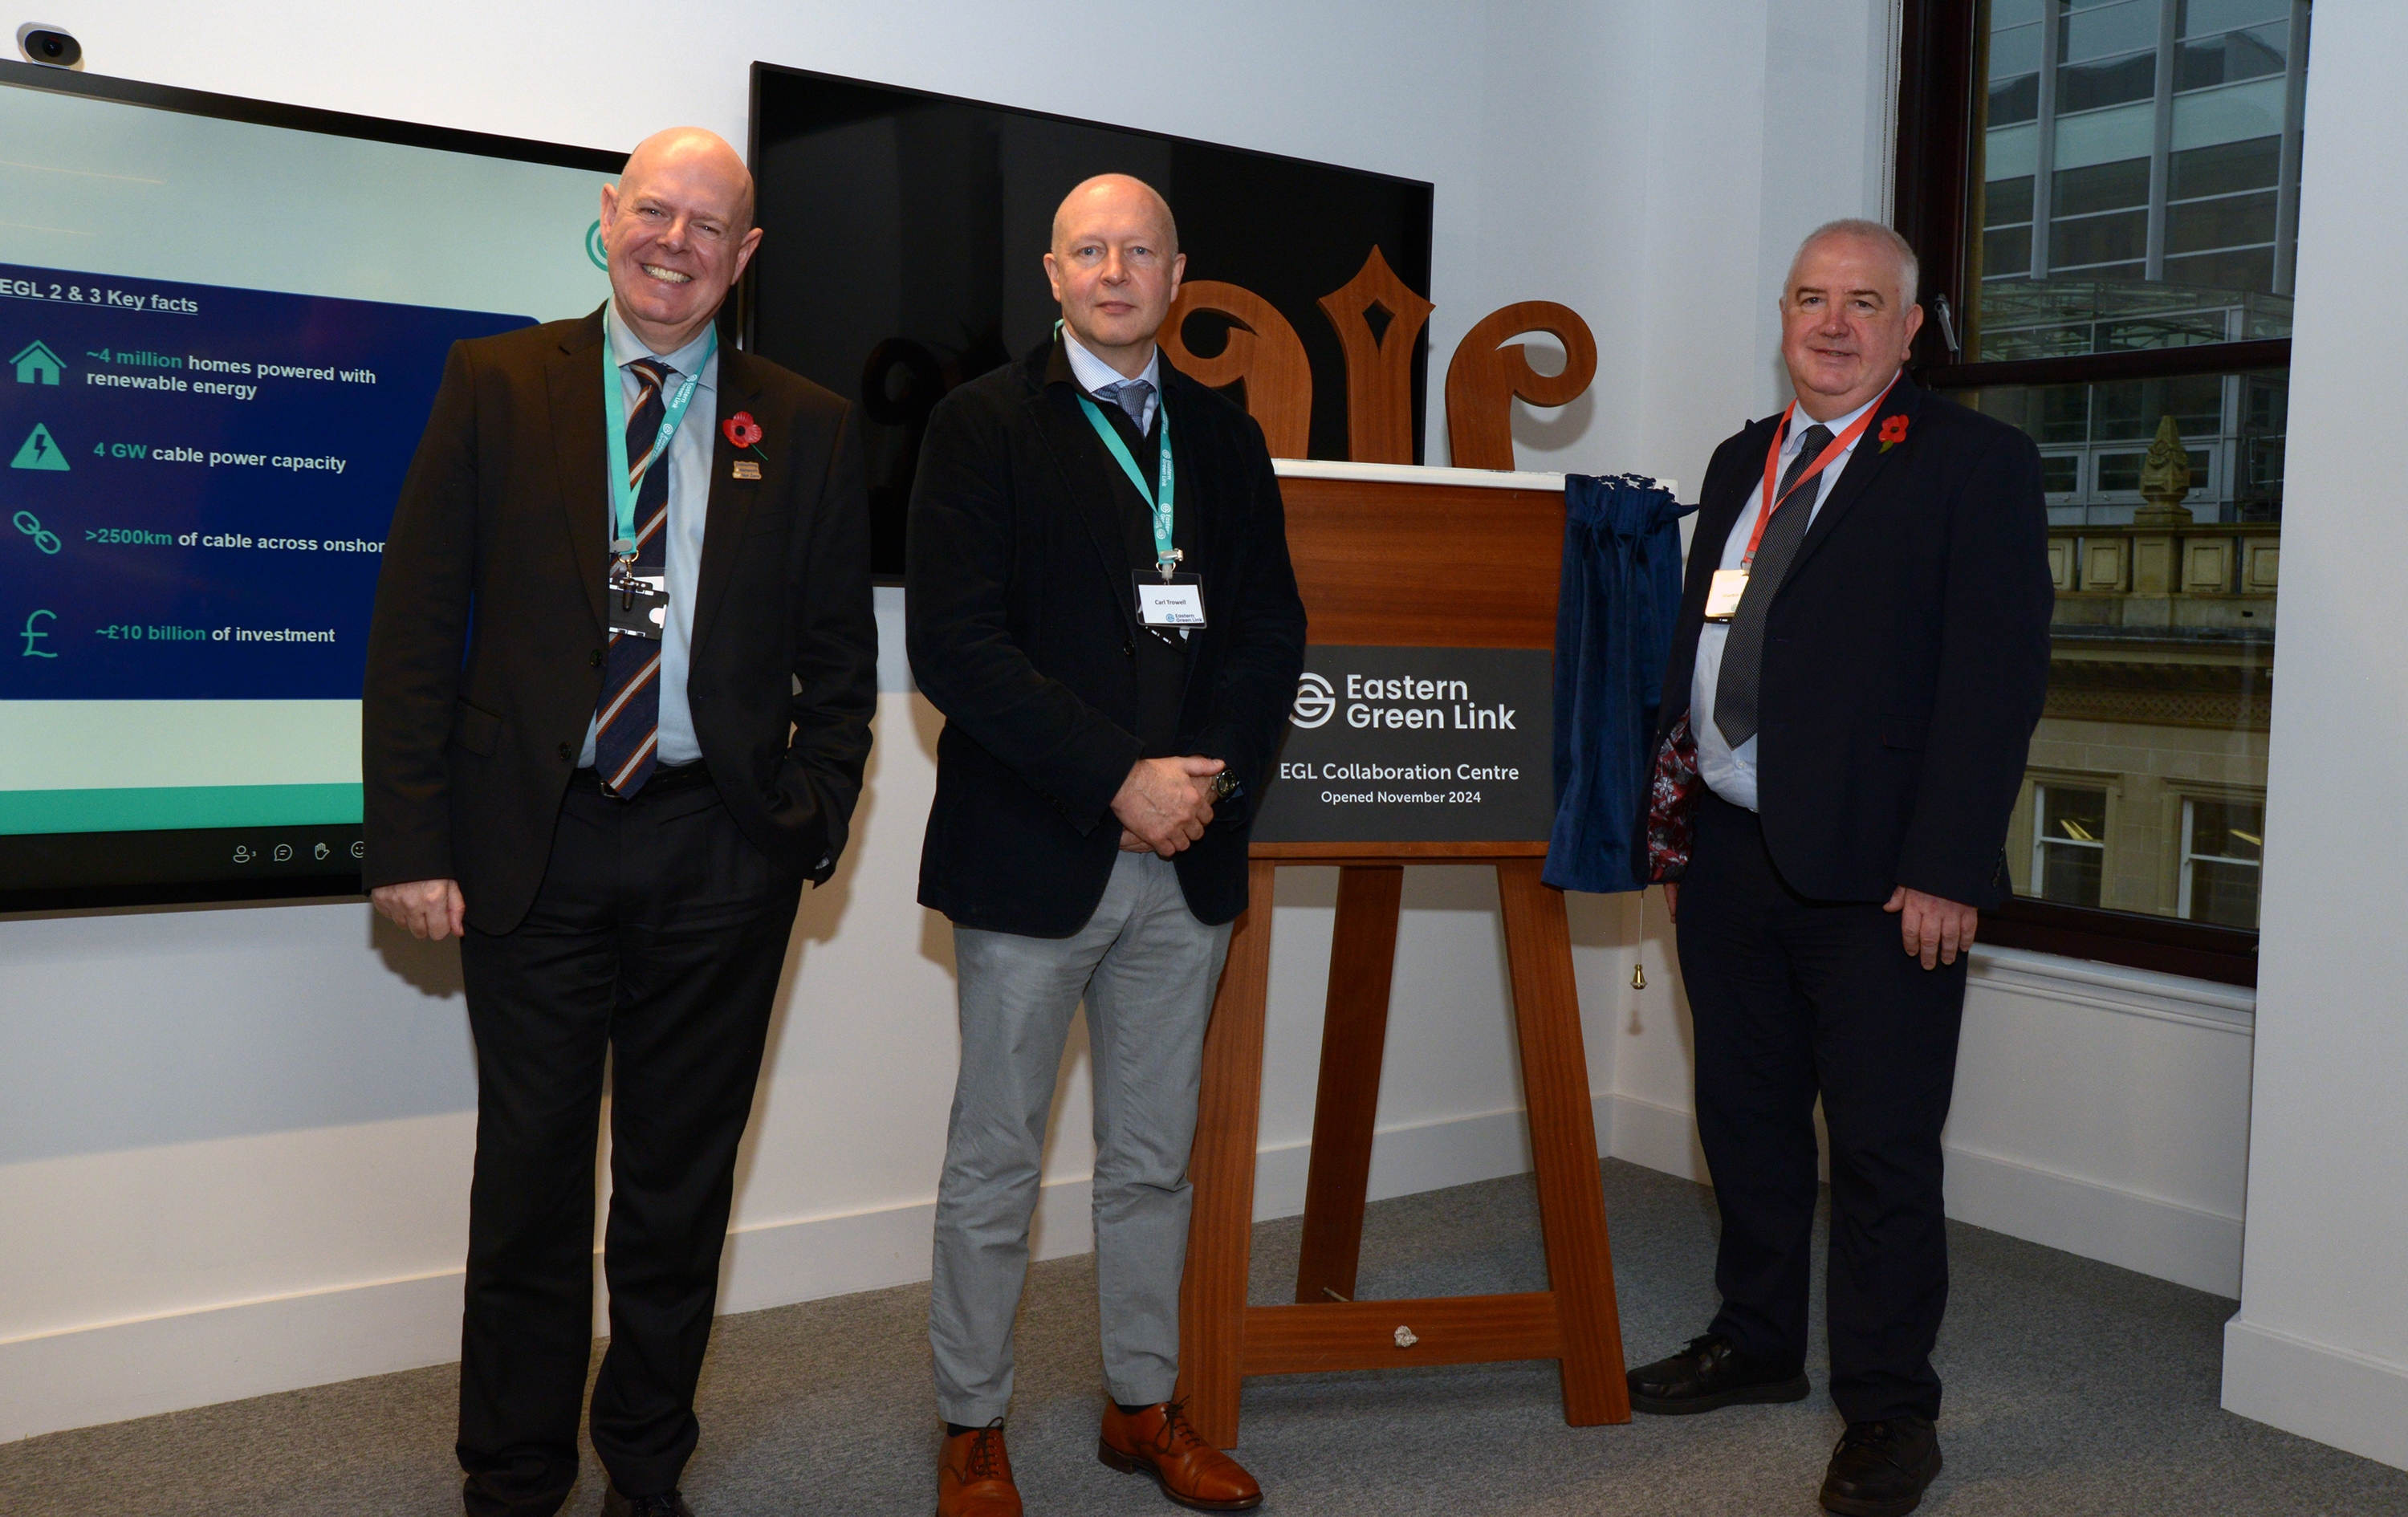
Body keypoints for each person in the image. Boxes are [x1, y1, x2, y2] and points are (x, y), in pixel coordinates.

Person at [362, 128, 876, 1517]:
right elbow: (414, 625)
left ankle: (647, 1465)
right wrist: (410, 839)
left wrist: (809, 817)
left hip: (723, 847)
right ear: (609, 216)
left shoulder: (809, 421)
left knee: (677, 1183)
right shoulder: (498, 381)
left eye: (710, 225)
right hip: (538, 837)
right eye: (655, 209)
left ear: (745, 255)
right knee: (527, 1181)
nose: (676, 242)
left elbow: (842, 659)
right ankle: (515, 1475)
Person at [1629, 219, 2052, 1517]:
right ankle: (1757, 1341)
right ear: (1783, 313)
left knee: (1878, 1149)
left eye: (1863, 302)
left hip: (1885, 876)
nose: (1832, 323)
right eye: (1811, 297)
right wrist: (1664, 810)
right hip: (1733, 849)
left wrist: (1948, 866)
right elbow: (1704, 647)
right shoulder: (1741, 458)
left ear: (1909, 327)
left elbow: (1994, 682)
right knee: (1744, 1121)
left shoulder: (1976, 464)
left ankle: (1888, 1408)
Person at [905, 173, 1306, 1517]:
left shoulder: (1224, 437)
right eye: (1092, 250)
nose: (1116, 270)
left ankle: (1142, 1403)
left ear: (1176, 273)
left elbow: (1269, 637)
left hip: (1185, 858)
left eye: (1140, 250)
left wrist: (1201, 782)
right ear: (1053, 271)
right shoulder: (979, 426)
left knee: (1152, 1159)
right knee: (995, 1160)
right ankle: (972, 1423)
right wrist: (1117, 778)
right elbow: (955, 645)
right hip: (1035, 855)